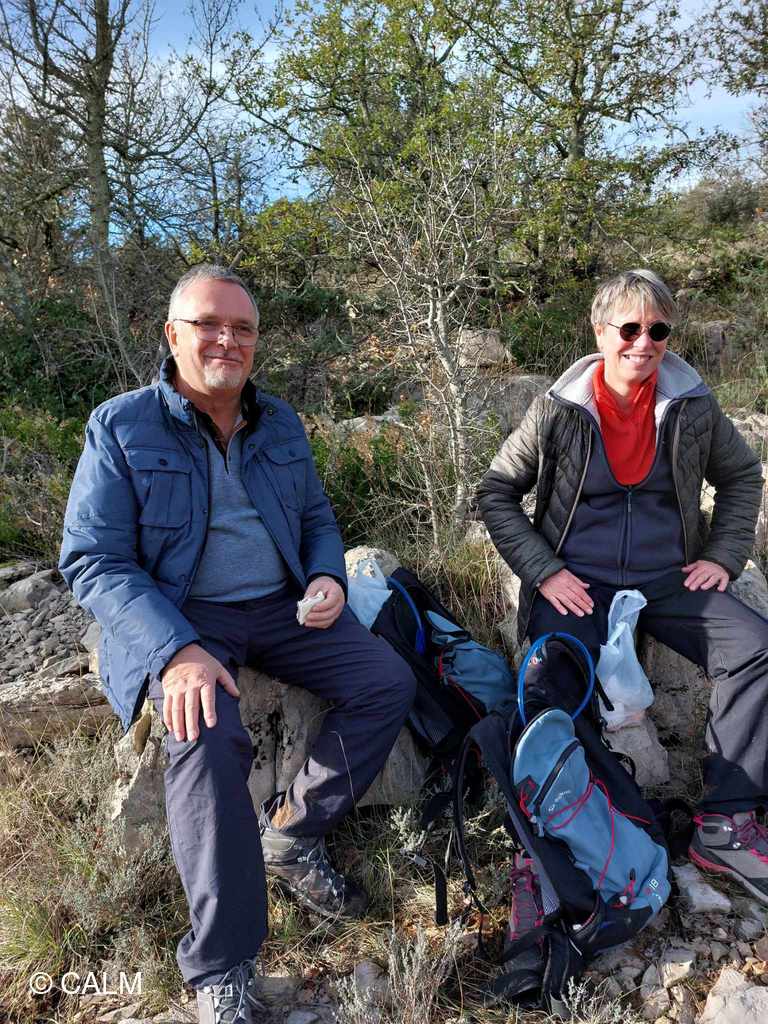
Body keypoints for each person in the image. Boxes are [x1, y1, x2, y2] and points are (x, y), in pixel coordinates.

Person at [59, 264, 416, 1024]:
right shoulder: (121, 426)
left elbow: (316, 517)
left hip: (283, 608)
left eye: (243, 328)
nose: (227, 339)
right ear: (172, 335)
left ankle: (293, 833)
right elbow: (93, 559)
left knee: (386, 681)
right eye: (208, 325)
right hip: (185, 616)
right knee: (206, 732)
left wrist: (326, 576)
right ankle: (222, 969)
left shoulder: (278, 421)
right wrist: (174, 651)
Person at [478, 268, 768, 905]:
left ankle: (726, 822)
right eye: (630, 328)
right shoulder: (559, 409)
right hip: (578, 582)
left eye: (658, 331)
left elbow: (743, 476)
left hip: (668, 579)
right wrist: (544, 570)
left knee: (756, 648)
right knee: (549, 687)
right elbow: (496, 492)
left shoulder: (692, 405)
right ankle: (564, 834)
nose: (644, 342)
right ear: (599, 332)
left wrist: (723, 555)